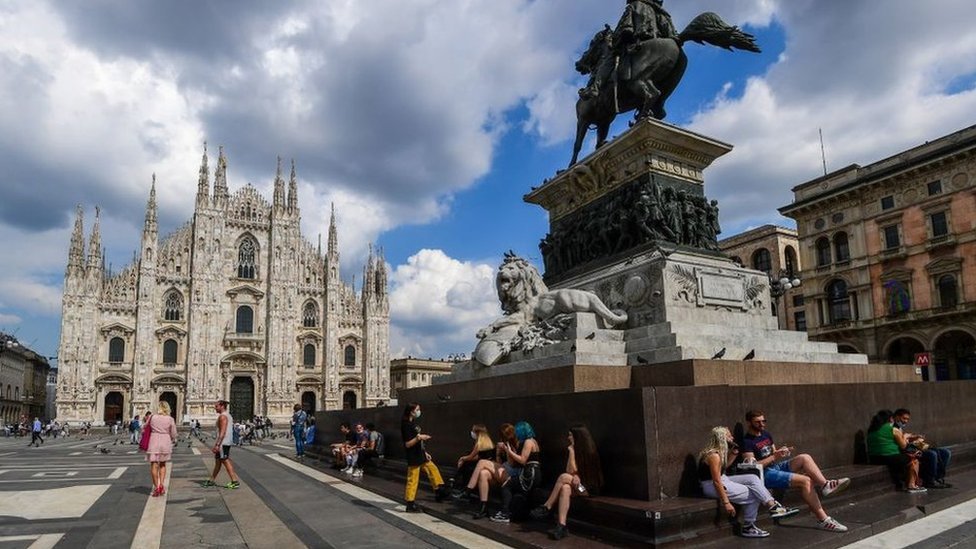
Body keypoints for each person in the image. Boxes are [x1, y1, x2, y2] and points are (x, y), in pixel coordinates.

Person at [740, 410, 849, 532]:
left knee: (804, 457)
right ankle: (823, 520)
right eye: (757, 422)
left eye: (763, 421)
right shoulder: (746, 441)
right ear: (749, 423)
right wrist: (775, 457)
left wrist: (781, 452)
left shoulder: (766, 434)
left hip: (774, 467)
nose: (762, 424)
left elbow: (773, 453)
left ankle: (825, 485)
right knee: (806, 480)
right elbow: (753, 466)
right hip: (762, 474)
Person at [699, 427, 798, 539]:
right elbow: (716, 481)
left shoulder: (718, 453)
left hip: (723, 479)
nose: (732, 437)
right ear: (722, 438)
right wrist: (726, 503)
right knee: (754, 494)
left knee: (752, 478)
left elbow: (723, 468)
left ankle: (773, 506)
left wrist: (734, 453)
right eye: (729, 435)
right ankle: (748, 527)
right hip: (711, 485)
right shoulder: (714, 456)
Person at [530, 424, 604, 541]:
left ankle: (547, 507)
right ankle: (561, 526)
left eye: (570, 435)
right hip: (577, 487)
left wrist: (574, 469)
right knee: (565, 488)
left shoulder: (590, 453)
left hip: (587, 490)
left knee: (564, 477)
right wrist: (572, 453)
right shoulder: (574, 450)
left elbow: (571, 472)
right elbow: (571, 471)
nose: (568, 438)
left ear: (577, 437)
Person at [401, 402, 449, 512]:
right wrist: (419, 438)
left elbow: (417, 440)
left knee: (433, 469)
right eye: (417, 409)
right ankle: (410, 504)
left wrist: (424, 451)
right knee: (413, 479)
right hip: (413, 455)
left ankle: (439, 491)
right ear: (411, 411)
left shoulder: (412, 423)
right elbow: (408, 444)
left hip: (420, 453)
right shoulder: (406, 425)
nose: (419, 411)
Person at [492, 421, 542, 523]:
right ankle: (509, 512)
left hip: (530, 473)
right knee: (510, 484)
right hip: (533, 472)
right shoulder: (533, 441)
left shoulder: (528, 442)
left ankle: (505, 513)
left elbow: (523, 460)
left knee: (506, 485)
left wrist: (508, 451)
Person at [464, 423, 516, 519]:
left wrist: (507, 451)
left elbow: (512, 464)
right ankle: (483, 507)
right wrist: (498, 453)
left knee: (482, 462)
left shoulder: (514, 444)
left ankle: (468, 490)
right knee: (483, 473)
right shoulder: (502, 444)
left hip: (512, 473)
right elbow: (499, 462)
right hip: (502, 470)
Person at [867, 409, 924, 493]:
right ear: (890, 418)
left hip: (874, 458)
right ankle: (912, 486)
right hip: (890, 457)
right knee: (914, 459)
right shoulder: (893, 429)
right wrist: (905, 436)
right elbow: (904, 446)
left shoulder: (871, 430)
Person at [894, 408, 951, 489]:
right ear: (897, 417)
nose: (905, 421)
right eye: (904, 418)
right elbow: (903, 445)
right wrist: (907, 437)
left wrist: (914, 438)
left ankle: (937, 477)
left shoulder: (899, 428)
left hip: (912, 446)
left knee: (945, 452)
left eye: (907, 419)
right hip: (907, 451)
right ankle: (929, 481)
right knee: (932, 454)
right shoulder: (894, 429)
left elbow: (905, 439)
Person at [202, 400, 241, 489]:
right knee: (218, 462)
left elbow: (222, 432)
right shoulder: (228, 415)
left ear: (222, 406)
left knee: (225, 460)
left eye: (216, 406)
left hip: (223, 443)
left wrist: (217, 444)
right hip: (224, 442)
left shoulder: (223, 417)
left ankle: (234, 481)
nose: (215, 408)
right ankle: (211, 480)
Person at [147, 401, 178, 497]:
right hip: (165, 442)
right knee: (163, 464)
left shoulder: (152, 417)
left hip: (153, 442)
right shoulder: (170, 419)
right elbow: (173, 433)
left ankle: (156, 487)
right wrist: (172, 439)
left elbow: (145, 427)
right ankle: (161, 486)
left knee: (154, 465)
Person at [454, 424, 495, 496]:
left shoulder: (479, 443)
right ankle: (460, 484)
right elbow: (479, 456)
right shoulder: (489, 442)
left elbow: (470, 457)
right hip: (487, 463)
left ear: (477, 433)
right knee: (466, 464)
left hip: (481, 465)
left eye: (473, 431)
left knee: (465, 465)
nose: (472, 433)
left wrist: (462, 458)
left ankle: (462, 487)